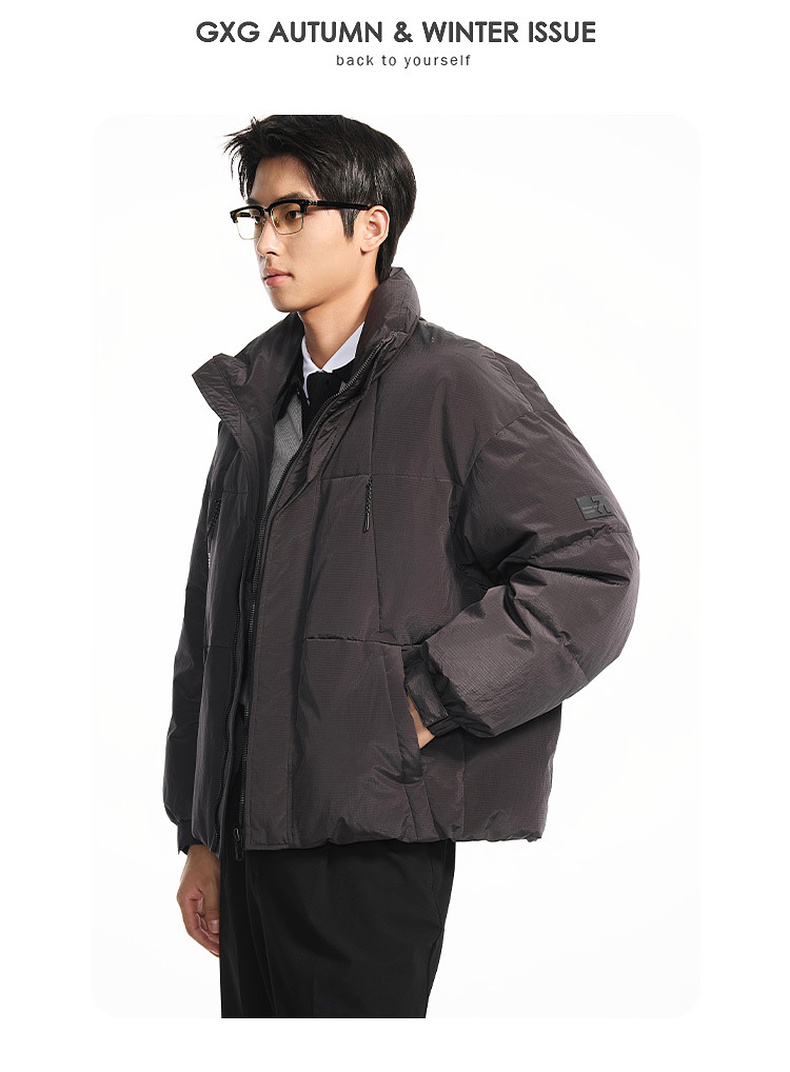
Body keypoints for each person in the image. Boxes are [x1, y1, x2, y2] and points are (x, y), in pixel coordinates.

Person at [163, 114, 640, 1018]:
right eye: (255, 215)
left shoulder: (459, 385)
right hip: (247, 837)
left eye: (293, 212)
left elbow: (591, 569)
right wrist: (203, 833)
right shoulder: (254, 407)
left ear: (371, 226)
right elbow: (212, 631)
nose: (266, 241)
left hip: (369, 825)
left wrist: (422, 702)